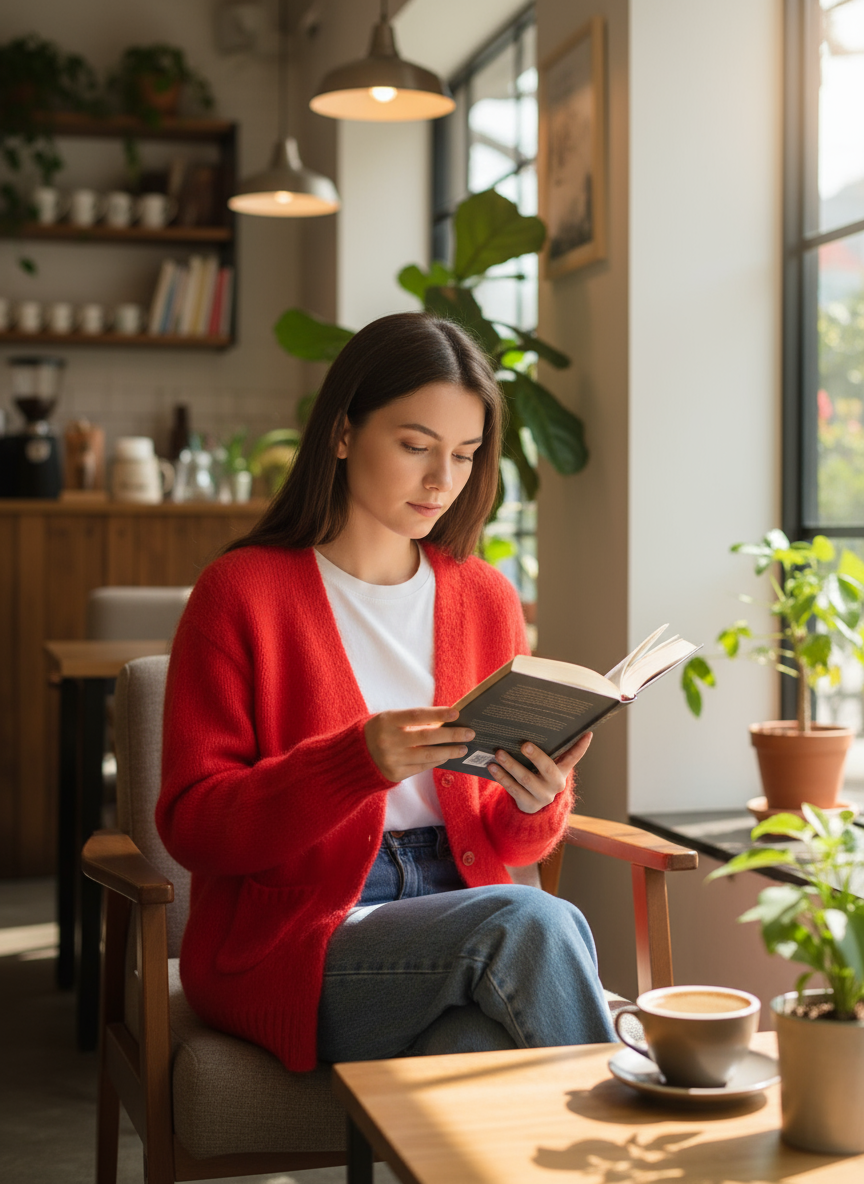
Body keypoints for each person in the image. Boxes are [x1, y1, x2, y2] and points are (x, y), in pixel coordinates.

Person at [156, 311, 615, 1073]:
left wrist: (539, 800)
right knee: (533, 921)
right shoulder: (241, 594)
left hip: (459, 912)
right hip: (304, 940)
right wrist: (352, 763)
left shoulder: (485, 598)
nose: (443, 480)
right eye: (415, 446)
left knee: (473, 1050)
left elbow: (507, 842)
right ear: (341, 433)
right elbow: (193, 827)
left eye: (465, 455)